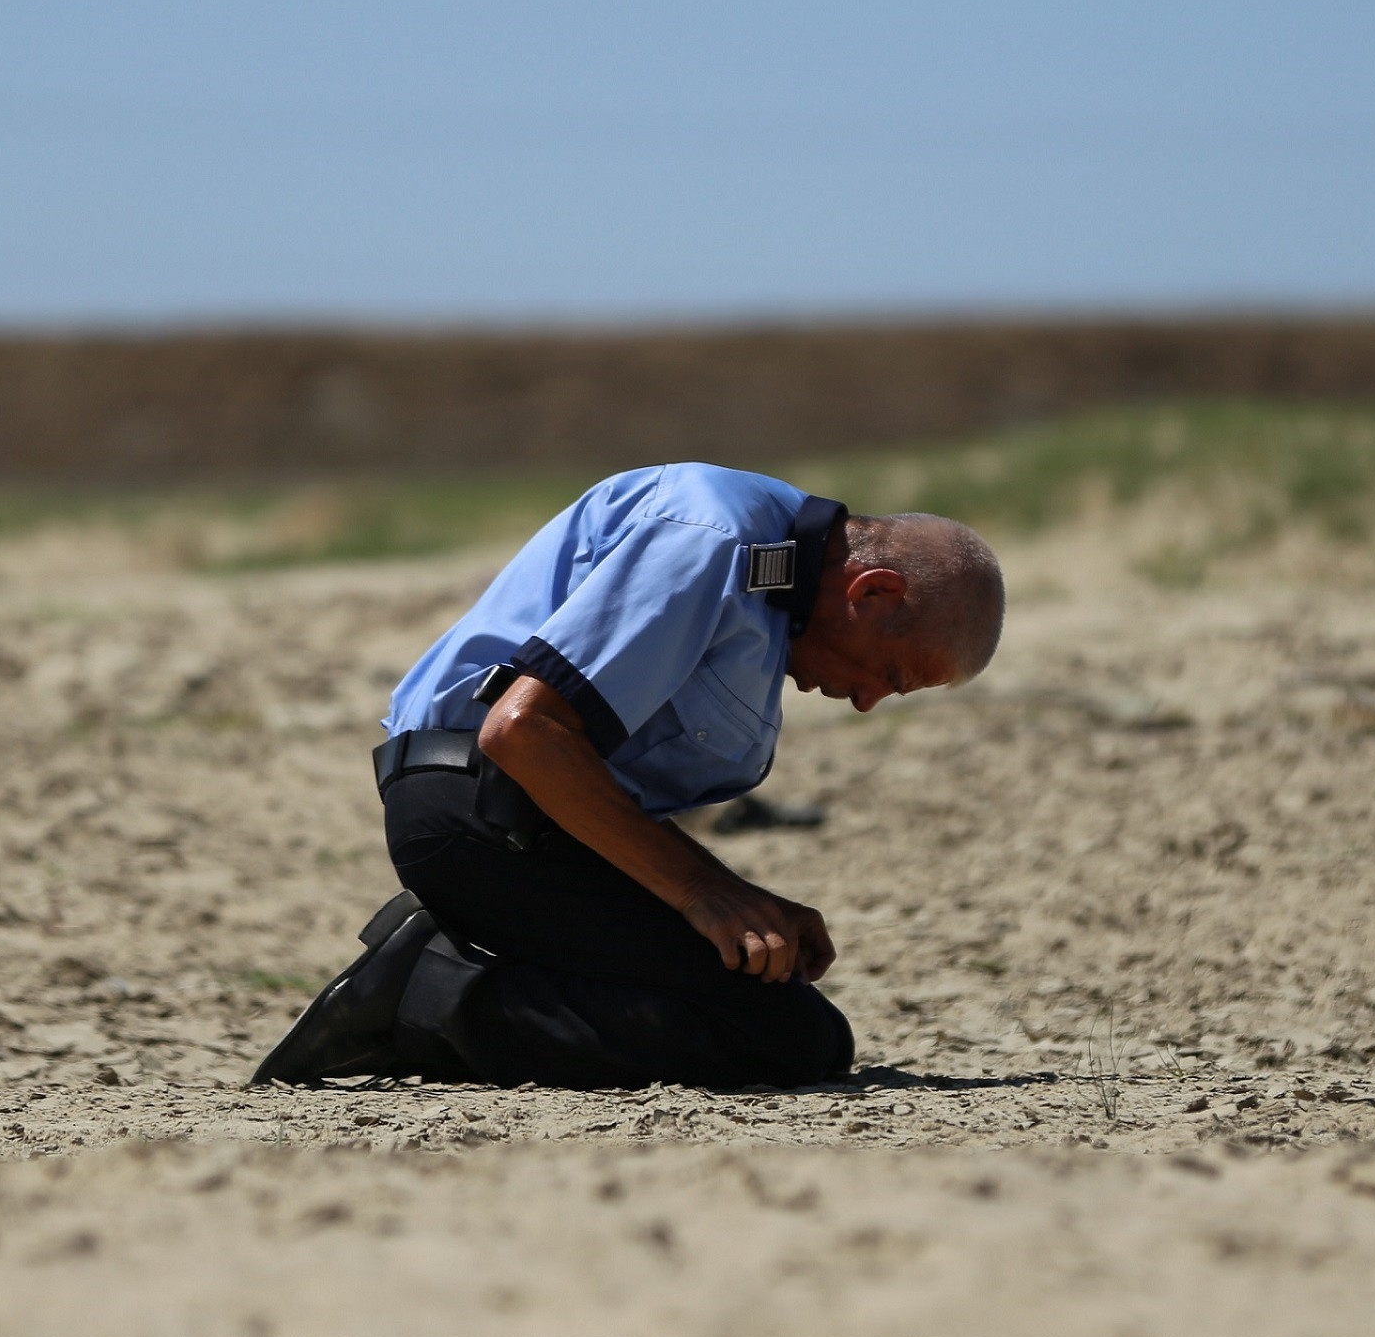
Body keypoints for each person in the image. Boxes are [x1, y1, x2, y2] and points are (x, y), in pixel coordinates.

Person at [250, 463, 1004, 1090]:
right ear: (872, 592)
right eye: (891, 674)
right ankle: (431, 996)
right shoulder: (712, 534)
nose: (869, 701)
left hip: (526, 825)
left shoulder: (768, 574)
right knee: (783, 1041)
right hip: (477, 815)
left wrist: (742, 900)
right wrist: (708, 894)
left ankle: (449, 976)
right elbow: (526, 733)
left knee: (779, 1014)